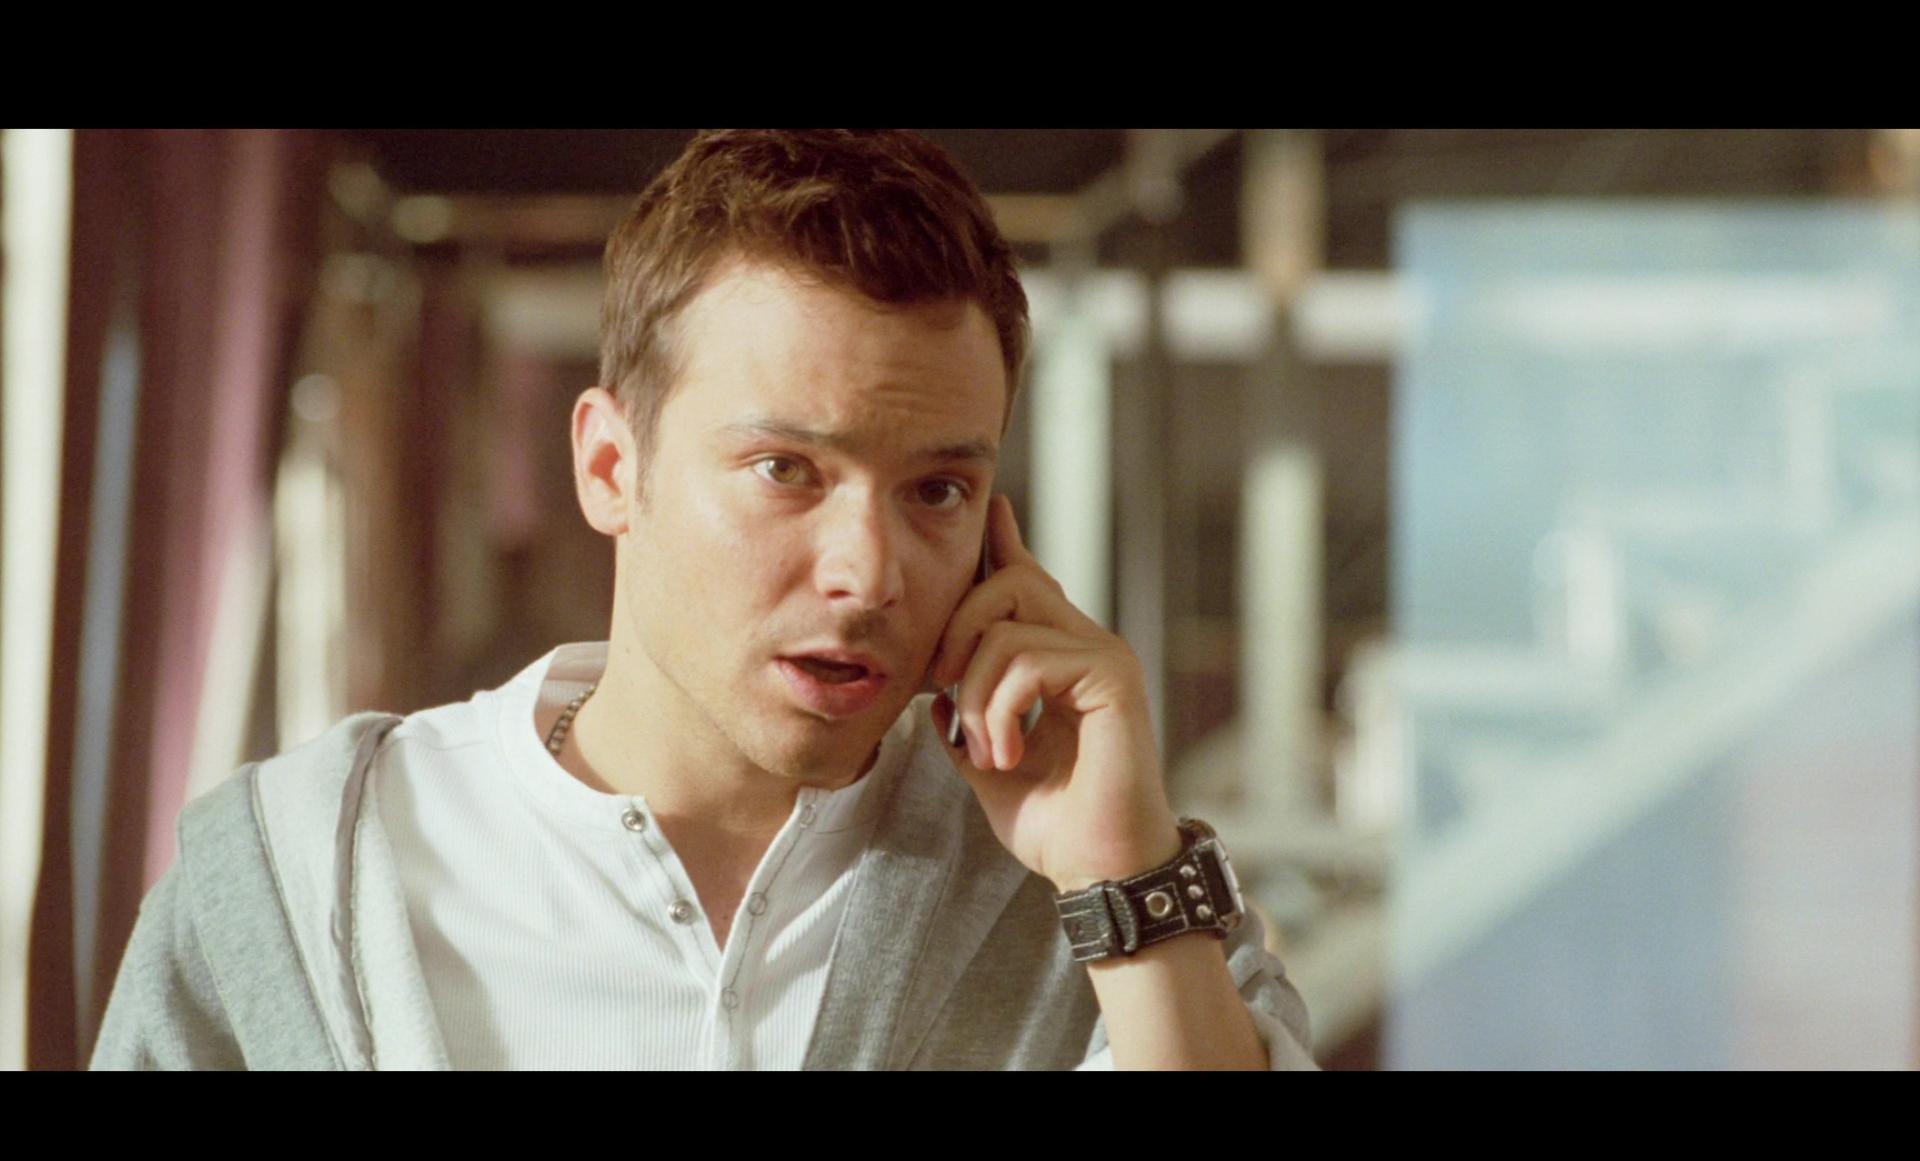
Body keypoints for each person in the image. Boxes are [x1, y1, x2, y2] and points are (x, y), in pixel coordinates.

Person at [92, 129, 1316, 1070]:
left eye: (937, 491)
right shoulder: (301, 886)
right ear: (609, 468)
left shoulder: (1094, 898)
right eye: (787, 471)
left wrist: (1124, 885)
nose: (869, 574)